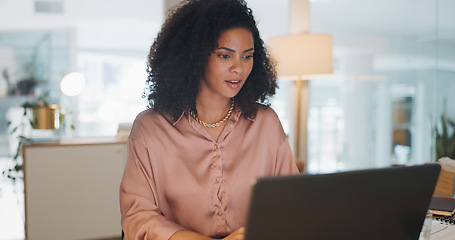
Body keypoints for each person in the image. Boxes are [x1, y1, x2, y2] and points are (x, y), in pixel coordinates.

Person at [119, 0, 299, 239]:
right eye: (225, 56)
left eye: (247, 56)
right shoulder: (150, 128)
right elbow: (138, 217)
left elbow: (292, 205)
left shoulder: (266, 123)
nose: (239, 68)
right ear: (194, 57)